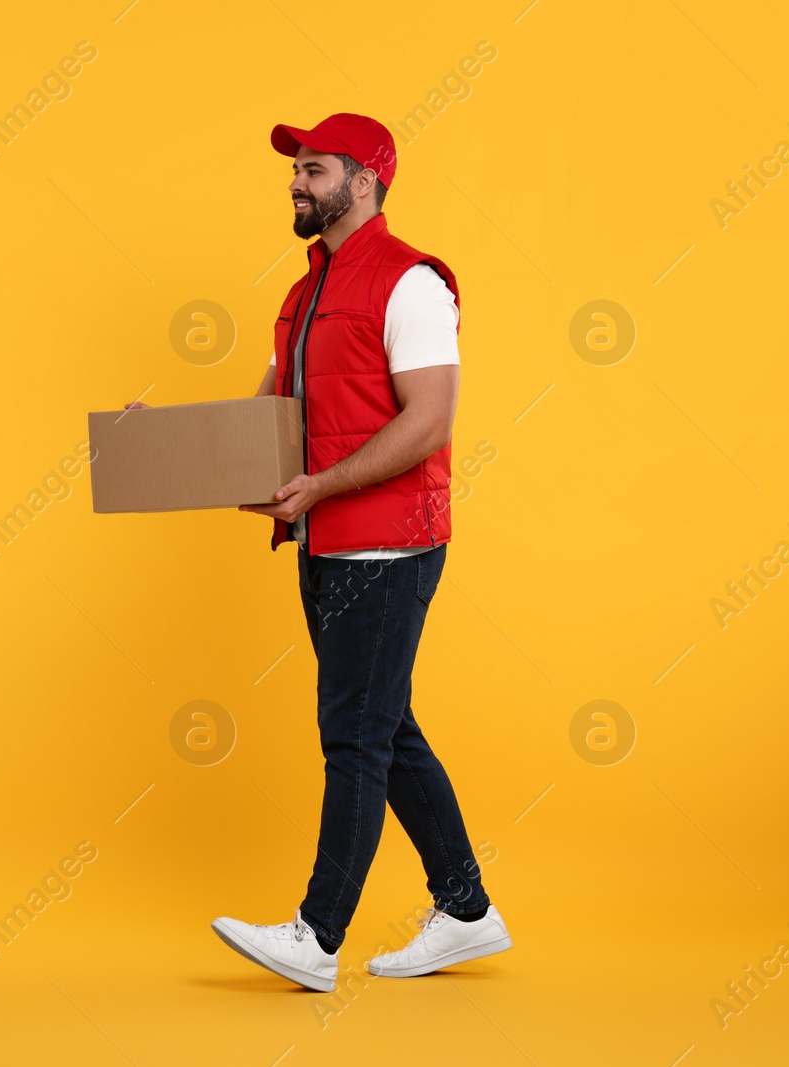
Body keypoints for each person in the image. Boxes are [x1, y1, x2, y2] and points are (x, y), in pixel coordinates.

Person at [128, 113, 511, 992]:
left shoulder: (411, 283)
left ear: (365, 182)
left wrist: (322, 486)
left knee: (354, 737)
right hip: (327, 542)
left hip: (387, 546)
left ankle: (317, 934)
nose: (297, 184)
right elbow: (265, 426)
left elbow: (429, 421)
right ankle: (466, 909)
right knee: (385, 727)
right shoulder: (304, 291)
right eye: (296, 170)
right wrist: (165, 447)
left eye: (314, 169)